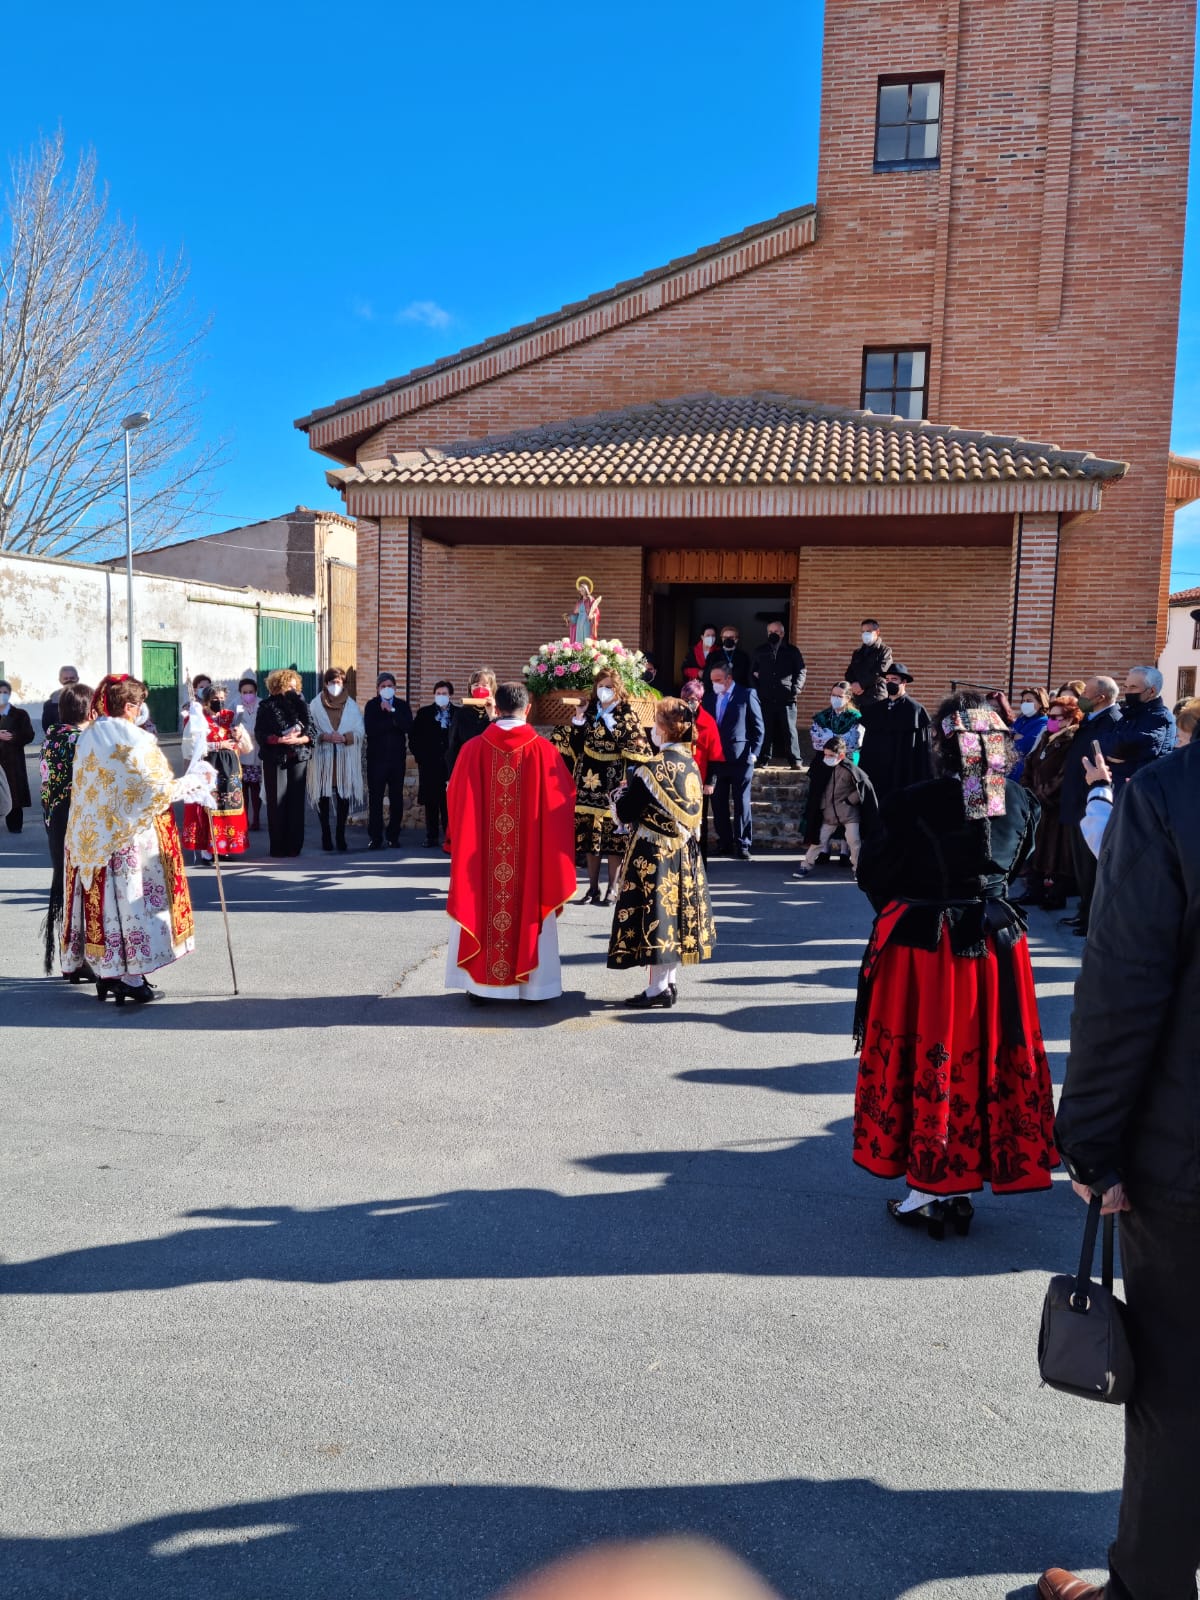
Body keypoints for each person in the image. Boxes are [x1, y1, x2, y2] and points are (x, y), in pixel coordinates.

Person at [1041, 734, 1200, 1600]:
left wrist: (1092, 1146)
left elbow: (1125, 979)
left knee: (1179, 1382)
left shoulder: (1175, 791)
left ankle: (1151, 1589)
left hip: (1189, 1145)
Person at [852, 692, 1055, 1237]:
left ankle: (929, 1187)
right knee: (981, 1057)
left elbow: (876, 874)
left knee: (929, 1055)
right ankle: (957, 1186)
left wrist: (907, 906)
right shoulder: (1020, 799)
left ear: (944, 741)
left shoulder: (910, 800)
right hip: (995, 947)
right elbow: (1019, 863)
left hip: (927, 949)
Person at [62, 675, 214, 1004]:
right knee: (131, 906)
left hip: (91, 839)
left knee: (106, 909)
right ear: (130, 707)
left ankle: (109, 973)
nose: (141, 709)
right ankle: (130, 978)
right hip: (127, 837)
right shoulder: (134, 738)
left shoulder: (89, 735)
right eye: (140, 703)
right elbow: (157, 790)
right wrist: (194, 780)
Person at [444, 680, 576, 1003]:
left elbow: (455, 800)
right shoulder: (545, 752)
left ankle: (481, 987)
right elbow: (564, 805)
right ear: (527, 710)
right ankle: (535, 989)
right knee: (530, 902)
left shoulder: (472, 749)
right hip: (531, 858)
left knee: (483, 904)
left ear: (496, 708)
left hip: (482, 859)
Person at [607, 696, 717, 1008]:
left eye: (656, 723)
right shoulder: (691, 763)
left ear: (664, 730)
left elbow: (626, 813)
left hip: (653, 852)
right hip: (684, 851)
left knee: (656, 915)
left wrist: (618, 796)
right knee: (676, 916)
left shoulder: (651, 769)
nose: (652, 729)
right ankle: (668, 983)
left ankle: (656, 990)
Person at [551, 666, 650, 905]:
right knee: (589, 838)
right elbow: (575, 745)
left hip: (614, 780)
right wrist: (578, 718)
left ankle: (613, 888)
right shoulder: (590, 709)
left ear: (618, 690)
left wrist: (612, 725)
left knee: (613, 839)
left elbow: (638, 748)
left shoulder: (626, 713)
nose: (604, 690)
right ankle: (592, 888)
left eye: (609, 687)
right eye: (601, 686)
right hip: (587, 779)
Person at [1058, 673, 1122, 937]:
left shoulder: (1113, 722)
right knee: (1081, 867)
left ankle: (1092, 919)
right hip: (1077, 801)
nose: (1081, 698)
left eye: (1086, 695)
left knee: (1091, 866)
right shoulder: (1091, 720)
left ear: (1101, 697)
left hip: (1092, 802)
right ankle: (1084, 912)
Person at [39, 681, 93, 977]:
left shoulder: (52, 737)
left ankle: (69, 957)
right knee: (80, 891)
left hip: (54, 819)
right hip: (75, 820)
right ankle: (79, 957)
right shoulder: (80, 741)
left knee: (64, 887)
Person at [1017, 690, 1084, 909]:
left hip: (1054, 805)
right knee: (1036, 849)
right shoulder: (1046, 737)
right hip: (1038, 804)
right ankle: (1034, 890)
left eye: (1057, 717)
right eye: (1051, 716)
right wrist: (1027, 789)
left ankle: (1057, 895)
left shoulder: (1072, 741)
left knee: (1056, 852)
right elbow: (1031, 763)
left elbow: (1064, 775)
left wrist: (1042, 794)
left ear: (1070, 719)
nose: (1052, 721)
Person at [181, 683, 250, 865]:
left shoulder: (231, 717)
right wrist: (218, 745)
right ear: (206, 701)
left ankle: (224, 847)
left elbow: (246, 747)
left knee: (227, 807)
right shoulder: (197, 719)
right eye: (214, 700)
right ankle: (207, 850)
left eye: (221, 699)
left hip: (230, 769)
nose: (219, 703)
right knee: (207, 807)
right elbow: (190, 747)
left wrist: (239, 736)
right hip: (208, 768)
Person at [702, 663, 764, 860]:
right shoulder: (710, 699)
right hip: (717, 759)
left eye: (718, 681)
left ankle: (743, 843)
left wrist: (754, 752)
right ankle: (725, 842)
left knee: (741, 802)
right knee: (718, 803)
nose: (714, 684)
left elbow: (758, 726)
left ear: (728, 679)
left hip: (741, 758)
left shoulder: (746, 694)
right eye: (712, 681)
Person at [255, 669, 315, 858]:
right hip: (275, 759)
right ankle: (278, 847)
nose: (292, 689)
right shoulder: (266, 706)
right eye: (288, 686)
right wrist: (279, 740)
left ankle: (294, 846)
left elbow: (312, 731)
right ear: (277, 686)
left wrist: (300, 740)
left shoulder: (302, 705)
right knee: (277, 802)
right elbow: (260, 734)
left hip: (298, 757)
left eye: (295, 686)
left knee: (296, 803)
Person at [797, 736, 878, 876]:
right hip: (829, 814)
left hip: (849, 813)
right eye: (825, 754)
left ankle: (858, 869)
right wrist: (821, 806)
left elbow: (863, 788)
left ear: (841, 755)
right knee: (819, 840)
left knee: (854, 841)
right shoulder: (823, 768)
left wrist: (849, 801)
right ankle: (806, 865)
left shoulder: (850, 769)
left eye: (831, 755)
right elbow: (818, 790)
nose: (827, 758)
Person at [856, 663, 932, 803]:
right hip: (879, 767)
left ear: (904, 682)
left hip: (903, 767)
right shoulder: (877, 709)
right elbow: (868, 743)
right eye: (888, 680)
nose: (890, 682)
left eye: (894, 680)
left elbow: (922, 749)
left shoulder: (915, 710)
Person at [308, 666, 365, 853]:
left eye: (338, 682)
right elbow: (310, 728)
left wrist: (346, 737)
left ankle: (340, 835)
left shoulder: (352, 706)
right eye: (332, 682)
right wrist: (323, 736)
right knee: (323, 795)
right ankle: (326, 834)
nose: (335, 685)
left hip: (344, 758)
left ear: (343, 684)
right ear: (325, 683)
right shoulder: (315, 705)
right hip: (323, 757)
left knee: (343, 796)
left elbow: (359, 730)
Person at [361, 671, 413, 849]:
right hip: (376, 760)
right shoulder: (372, 706)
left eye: (390, 686)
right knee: (375, 799)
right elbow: (371, 729)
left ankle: (393, 836)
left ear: (395, 688)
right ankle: (375, 837)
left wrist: (391, 711)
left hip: (397, 760)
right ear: (377, 689)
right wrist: (392, 723)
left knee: (396, 798)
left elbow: (407, 726)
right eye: (383, 686)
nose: (387, 689)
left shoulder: (401, 705)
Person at [750, 619, 807, 768]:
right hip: (766, 698)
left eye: (775, 632)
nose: (772, 634)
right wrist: (757, 691)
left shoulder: (792, 651)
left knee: (789, 730)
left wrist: (796, 689)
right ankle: (762, 759)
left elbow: (801, 670)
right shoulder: (760, 650)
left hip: (786, 698)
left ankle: (795, 760)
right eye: (770, 632)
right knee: (765, 730)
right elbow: (752, 672)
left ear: (782, 633)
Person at [1109, 663, 1175, 787]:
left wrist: (1117, 751)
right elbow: (1107, 743)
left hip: (1140, 791)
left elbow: (1128, 745)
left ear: (1151, 691)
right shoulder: (1130, 714)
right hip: (1121, 789)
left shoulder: (1160, 717)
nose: (1128, 692)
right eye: (1126, 687)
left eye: (1133, 687)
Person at [679, 678, 722, 862]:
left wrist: (710, 782)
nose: (690, 702)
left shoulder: (708, 722)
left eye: (693, 699)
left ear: (700, 700)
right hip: (677, 777)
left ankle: (699, 860)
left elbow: (715, 754)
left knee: (699, 821)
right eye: (687, 698)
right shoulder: (676, 720)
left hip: (699, 779)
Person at [409, 680, 454, 847]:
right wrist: (421, 758)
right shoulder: (424, 713)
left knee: (448, 803)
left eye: (444, 693)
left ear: (450, 695)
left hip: (449, 767)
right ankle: (431, 836)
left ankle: (450, 837)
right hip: (430, 766)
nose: (441, 696)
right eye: (438, 693)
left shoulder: (457, 714)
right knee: (431, 802)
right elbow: (414, 739)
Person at [992, 685, 1049, 782]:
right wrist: (1013, 736)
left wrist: (1011, 737)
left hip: (1021, 775)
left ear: (1040, 703)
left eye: (1029, 701)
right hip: (1007, 769)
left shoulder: (1043, 722)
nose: (1024, 704)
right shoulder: (1021, 719)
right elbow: (1004, 738)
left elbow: (1023, 747)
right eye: (1023, 701)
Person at [0, 680, 36, 833]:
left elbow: (29, 735)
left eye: (5, 692)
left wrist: (14, 737)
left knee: (15, 796)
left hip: (14, 762)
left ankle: (15, 826)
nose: (2, 696)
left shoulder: (20, 714)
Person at [447, 668, 497, 772]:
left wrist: (492, 716)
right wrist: (451, 777)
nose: (480, 688)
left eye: (484, 685)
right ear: (470, 689)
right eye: (476, 685)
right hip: (467, 766)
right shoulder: (461, 714)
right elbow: (453, 747)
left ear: (492, 689)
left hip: (491, 767)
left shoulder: (500, 713)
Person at [233, 677, 264, 831]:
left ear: (255, 692)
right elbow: (232, 724)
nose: (248, 695)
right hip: (242, 752)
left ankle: (256, 818)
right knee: (243, 787)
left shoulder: (261, 704)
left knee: (255, 787)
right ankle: (243, 818)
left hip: (256, 750)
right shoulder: (236, 704)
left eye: (251, 692)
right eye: (245, 692)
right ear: (240, 692)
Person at [809, 681, 864, 763]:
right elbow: (816, 740)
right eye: (833, 695)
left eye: (839, 696)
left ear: (848, 698)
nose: (835, 698)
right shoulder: (822, 717)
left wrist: (830, 739)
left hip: (847, 757)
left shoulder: (856, 717)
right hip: (825, 755)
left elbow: (856, 742)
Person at [846, 618, 893, 708]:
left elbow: (880, 672)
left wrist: (861, 685)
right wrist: (853, 684)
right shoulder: (858, 652)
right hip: (857, 698)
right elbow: (849, 672)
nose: (865, 634)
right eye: (863, 632)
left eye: (868, 631)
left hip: (876, 698)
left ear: (877, 632)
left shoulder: (885, 651)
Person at [40, 665, 81, 736]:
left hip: (83, 742)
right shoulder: (50, 704)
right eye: (66, 678)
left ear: (77, 679)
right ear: (60, 680)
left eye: (72, 678)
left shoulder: (89, 700)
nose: (69, 680)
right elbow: (47, 728)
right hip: (61, 743)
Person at [564, 576, 602, 647]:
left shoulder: (591, 600)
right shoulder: (579, 602)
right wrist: (570, 618)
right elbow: (576, 615)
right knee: (579, 640)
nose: (581, 592)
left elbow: (596, 611)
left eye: (583, 590)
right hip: (579, 622)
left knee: (586, 639)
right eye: (580, 591)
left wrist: (593, 616)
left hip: (587, 622)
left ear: (586, 590)